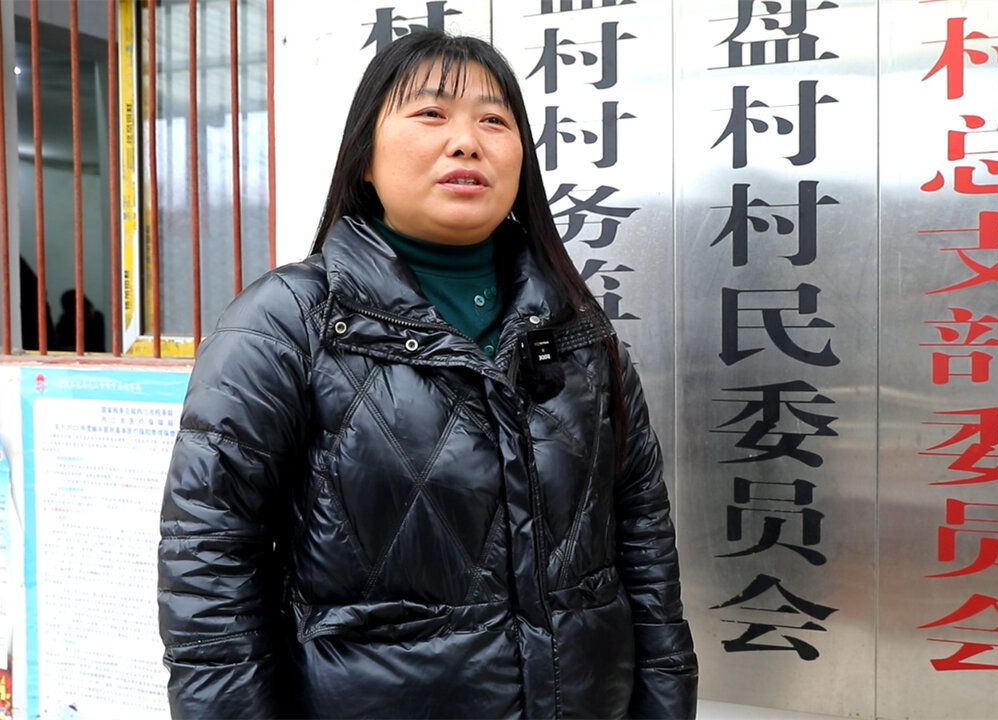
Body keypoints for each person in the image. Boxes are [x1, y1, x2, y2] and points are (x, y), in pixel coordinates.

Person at [157, 29, 697, 719]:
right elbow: (208, 565)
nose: (466, 141)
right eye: (432, 114)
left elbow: (645, 549)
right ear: (364, 158)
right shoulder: (286, 322)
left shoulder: (577, 328)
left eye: (494, 120)